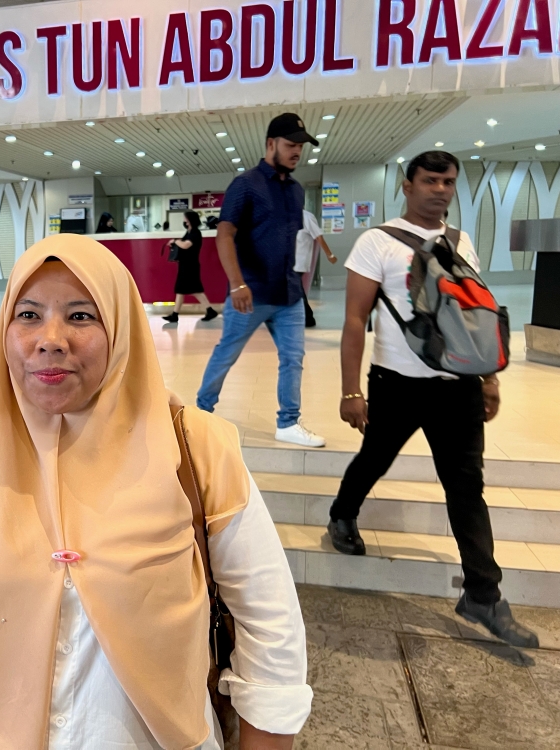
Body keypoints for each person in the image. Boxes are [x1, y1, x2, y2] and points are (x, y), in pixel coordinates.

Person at [0, 234, 312, 749]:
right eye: (27, 315)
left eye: (80, 315)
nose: (51, 338)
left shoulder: (196, 450)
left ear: (121, 327)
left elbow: (270, 633)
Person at [328, 150, 539, 648]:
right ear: (407, 184)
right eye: (429, 180)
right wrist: (350, 390)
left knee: (466, 487)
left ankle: (483, 596)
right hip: (396, 382)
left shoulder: (461, 241)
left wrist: (489, 379)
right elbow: (355, 319)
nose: (440, 190)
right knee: (375, 458)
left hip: (458, 385)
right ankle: (342, 511)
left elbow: (475, 314)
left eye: (447, 182)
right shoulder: (376, 241)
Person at [196, 113, 325, 448]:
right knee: (227, 353)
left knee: (293, 357)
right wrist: (237, 284)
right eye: (291, 145)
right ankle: (201, 412)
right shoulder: (246, 184)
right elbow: (224, 236)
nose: (298, 152)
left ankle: (288, 422)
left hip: (289, 294)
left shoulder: (296, 191)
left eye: (301, 146)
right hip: (250, 292)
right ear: (271, 144)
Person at [163, 210, 218, 324]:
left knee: (192, 289)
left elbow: (185, 245)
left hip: (190, 266)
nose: (183, 220)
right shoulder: (189, 232)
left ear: (189, 220)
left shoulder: (195, 233)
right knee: (183, 290)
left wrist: (175, 241)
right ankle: (176, 314)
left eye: (185, 218)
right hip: (186, 265)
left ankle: (208, 310)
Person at [294, 210, 337, 327]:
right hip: (287, 261)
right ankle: (302, 317)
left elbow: (319, 237)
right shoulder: (285, 214)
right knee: (294, 289)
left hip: (299, 261)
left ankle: (308, 318)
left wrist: (330, 254)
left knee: (296, 289)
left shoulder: (307, 217)